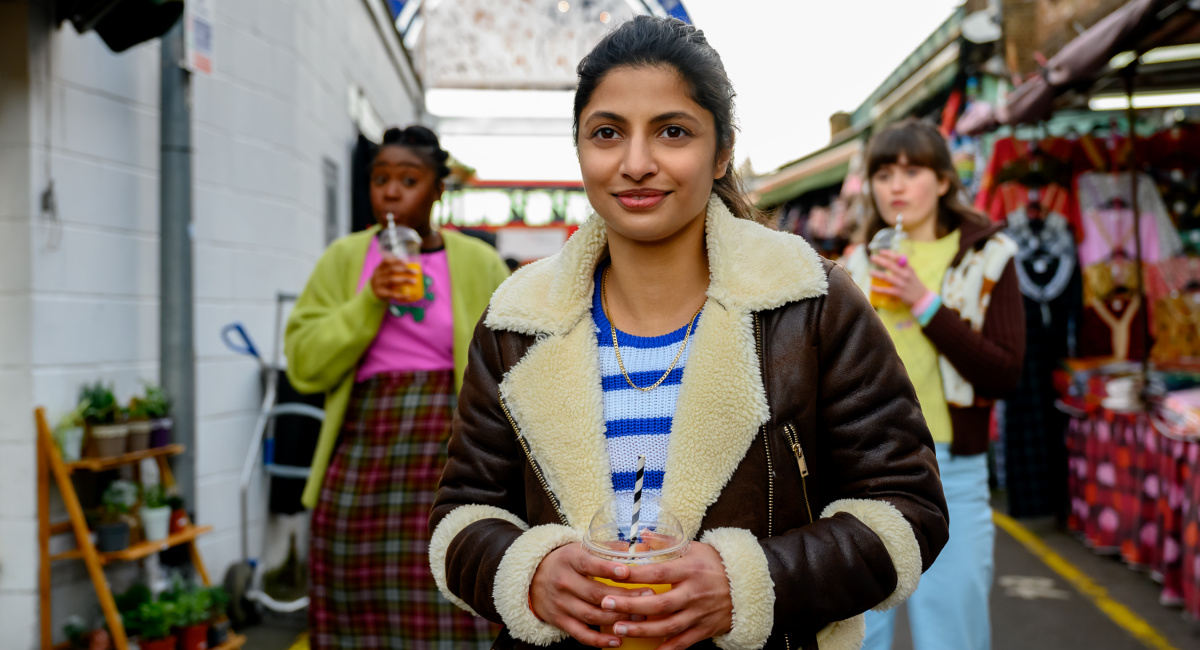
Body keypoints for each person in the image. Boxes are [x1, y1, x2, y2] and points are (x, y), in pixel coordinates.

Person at [429, 17, 948, 650]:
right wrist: (528, 571)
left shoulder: (811, 302)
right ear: (580, 149)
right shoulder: (517, 318)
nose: (637, 163)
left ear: (721, 149)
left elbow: (907, 511)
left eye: (673, 132)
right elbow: (462, 516)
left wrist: (750, 582)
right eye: (607, 133)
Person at [285, 125, 509, 649]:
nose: (390, 191)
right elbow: (303, 363)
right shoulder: (344, 259)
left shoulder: (479, 263)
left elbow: (513, 356)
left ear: (437, 189)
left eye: (408, 179)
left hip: (452, 447)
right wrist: (368, 300)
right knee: (354, 585)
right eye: (380, 178)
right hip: (365, 449)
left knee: (450, 580)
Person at [844, 118, 1026, 650]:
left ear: (944, 180)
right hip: (862, 468)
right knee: (859, 633)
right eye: (882, 174)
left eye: (912, 171)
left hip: (954, 471)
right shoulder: (852, 264)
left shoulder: (989, 258)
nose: (895, 186)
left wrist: (924, 302)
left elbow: (1003, 372)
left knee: (952, 633)